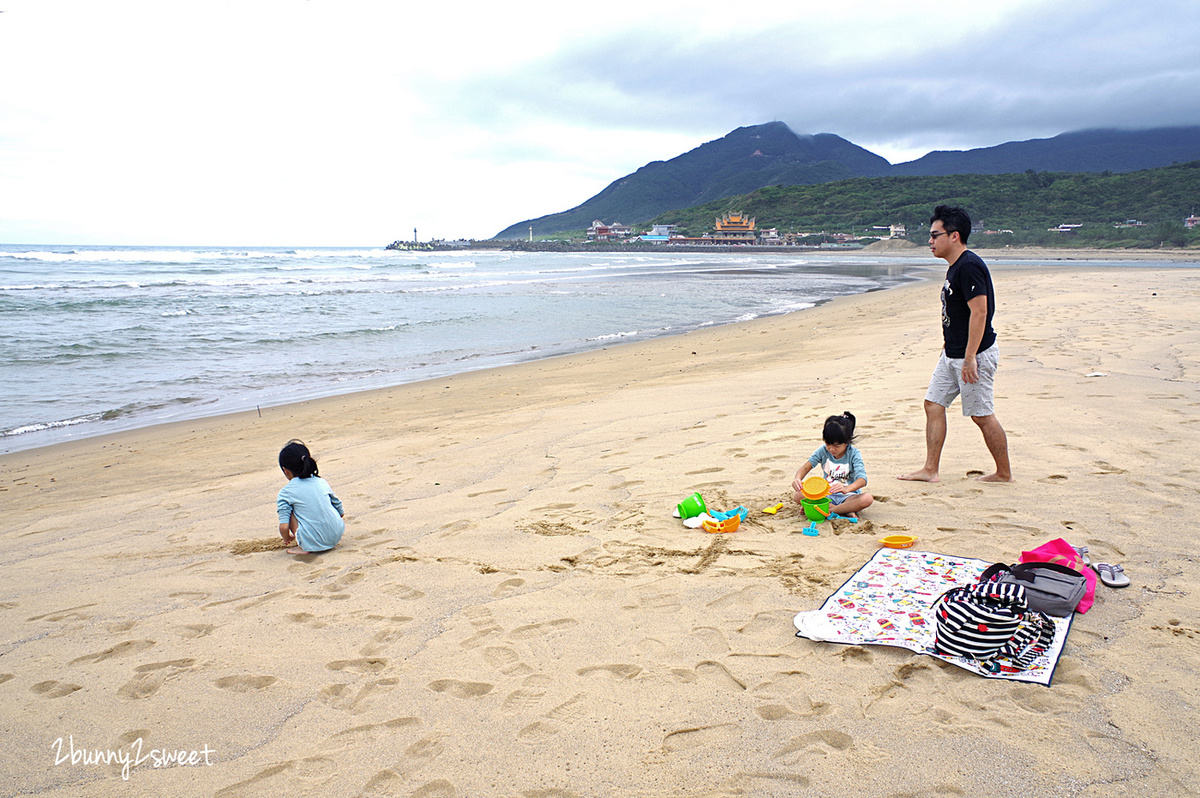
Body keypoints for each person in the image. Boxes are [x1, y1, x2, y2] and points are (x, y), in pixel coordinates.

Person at [900, 205, 1012, 483]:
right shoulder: (955, 267)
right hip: (952, 353)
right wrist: (948, 344)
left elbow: (980, 312)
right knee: (933, 404)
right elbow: (958, 313)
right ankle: (930, 470)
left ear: (954, 236)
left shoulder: (969, 266)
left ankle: (1003, 473)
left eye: (935, 235)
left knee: (982, 415)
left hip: (973, 356)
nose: (930, 241)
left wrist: (970, 356)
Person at [792, 412, 874, 516]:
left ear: (847, 441)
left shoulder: (853, 454)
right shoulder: (823, 451)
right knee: (798, 495)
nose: (831, 449)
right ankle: (843, 510)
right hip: (826, 495)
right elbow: (805, 467)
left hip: (849, 496)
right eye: (827, 444)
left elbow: (862, 480)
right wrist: (798, 479)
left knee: (866, 499)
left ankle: (827, 510)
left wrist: (846, 489)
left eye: (836, 445)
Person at [277, 439, 345, 554]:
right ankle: (324, 535)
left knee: (289, 510)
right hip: (337, 534)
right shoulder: (321, 482)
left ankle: (304, 546)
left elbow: (284, 527)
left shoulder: (286, 492)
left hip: (313, 541)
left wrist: (286, 538)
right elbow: (340, 509)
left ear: (285, 470)